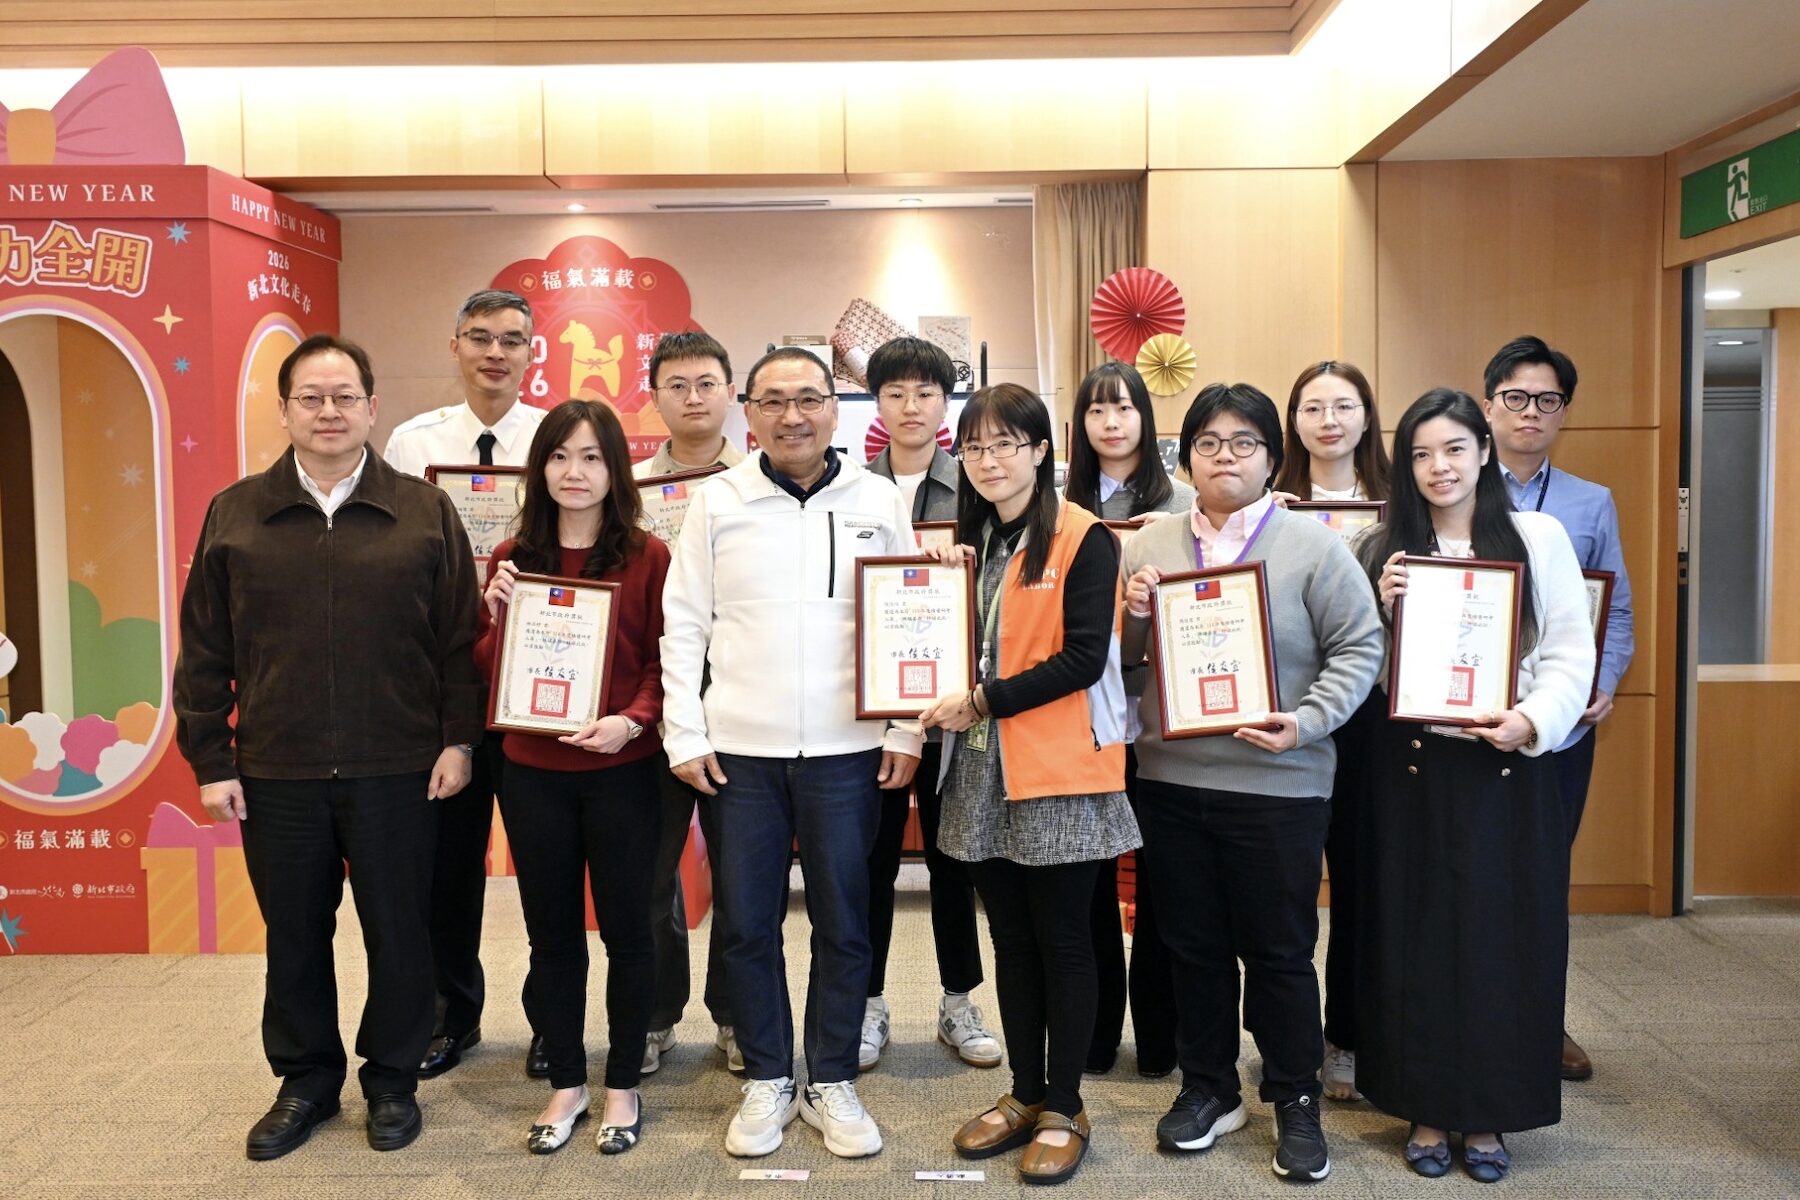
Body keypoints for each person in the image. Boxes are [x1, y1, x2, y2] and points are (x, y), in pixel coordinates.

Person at [173, 334, 482, 1160]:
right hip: (277, 769)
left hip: (400, 766)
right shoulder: (237, 512)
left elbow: (459, 641)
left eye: (345, 397)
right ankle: (306, 1080)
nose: (329, 412)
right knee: (294, 936)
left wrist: (458, 741)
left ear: (372, 408)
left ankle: (392, 1079)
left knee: (400, 932)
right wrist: (211, 760)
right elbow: (204, 647)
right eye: (311, 398)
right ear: (284, 411)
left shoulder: (423, 510)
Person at [660, 346, 921, 1160]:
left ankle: (832, 1076)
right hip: (740, 753)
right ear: (750, 413)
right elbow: (684, 623)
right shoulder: (718, 500)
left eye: (808, 398)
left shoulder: (877, 498)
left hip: (849, 751)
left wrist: (906, 729)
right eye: (773, 401)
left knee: (845, 921)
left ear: (835, 408)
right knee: (746, 924)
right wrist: (683, 732)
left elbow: (908, 615)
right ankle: (769, 1075)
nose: (793, 416)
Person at [1119, 382, 1382, 1183]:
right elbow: (1118, 666)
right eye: (1208, 442)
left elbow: (1360, 647)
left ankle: (1295, 1095)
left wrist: (1305, 723)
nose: (1224, 457)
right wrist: (1133, 616)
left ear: (1272, 456)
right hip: (1170, 780)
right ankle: (1209, 1086)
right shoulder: (1148, 545)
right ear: (1187, 456)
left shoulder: (1314, 547)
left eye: (1243, 443)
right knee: (1191, 946)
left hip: (1280, 784)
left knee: (1279, 952)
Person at [1357, 388, 1594, 1182]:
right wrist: (1379, 609)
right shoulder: (1386, 547)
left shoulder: (1537, 536)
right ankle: (1426, 1107)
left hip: (1508, 767)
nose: (1440, 467)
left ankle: (1489, 1113)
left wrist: (1531, 720)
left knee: (1503, 942)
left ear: (1485, 450)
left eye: (1455, 448)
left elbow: (1570, 650)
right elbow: (1365, 676)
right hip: (1414, 771)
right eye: (1421, 454)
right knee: (1418, 940)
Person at [924, 382, 1138, 1187]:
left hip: (1059, 770)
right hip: (981, 767)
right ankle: (1024, 1092)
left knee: (1064, 941)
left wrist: (981, 700)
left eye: (1006, 444)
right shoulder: (973, 541)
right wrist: (937, 584)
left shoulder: (1083, 536)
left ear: (1042, 451)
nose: (988, 460)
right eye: (974, 446)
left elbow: (1083, 657)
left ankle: (1066, 1106)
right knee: (1011, 941)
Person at [475, 400, 670, 1155]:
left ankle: (621, 1082)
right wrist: (494, 619)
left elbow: (662, 661)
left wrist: (632, 720)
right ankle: (566, 1081)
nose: (574, 472)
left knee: (629, 933)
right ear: (540, 468)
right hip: (533, 774)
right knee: (551, 937)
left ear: (615, 469)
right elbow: (488, 673)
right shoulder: (511, 556)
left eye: (591, 457)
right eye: (559, 456)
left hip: (623, 770)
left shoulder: (647, 556)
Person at [383, 289, 549, 1082]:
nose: (495, 353)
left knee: (548, 865)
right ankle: (453, 1015)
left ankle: (552, 1021)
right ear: (455, 347)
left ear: (531, 353)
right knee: (447, 866)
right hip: (446, 685)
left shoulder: (556, 438)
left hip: (538, 682)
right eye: (480, 338)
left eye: (512, 340)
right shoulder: (413, 444)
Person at [1480, 335, 1635, 1083]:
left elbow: (1617, 609)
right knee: (1469, 876)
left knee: (1541, 878)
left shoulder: (1589, 501)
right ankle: (1470, 1016)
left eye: (1547, 400)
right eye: (1515, 397)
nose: (1530, 412)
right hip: (1467, 721)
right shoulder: (1453, 485)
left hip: (1558, 727)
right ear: (1488, 406)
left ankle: (1544, 1021)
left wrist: (1600, 681)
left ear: (1564, 412)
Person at [859, 336, 1000, 1073]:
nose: (910, 406)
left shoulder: (978, 486)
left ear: (946, 403)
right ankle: (867, 1003)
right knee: (872, 863)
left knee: (954, 864)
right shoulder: (853, 489)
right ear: (875, 402)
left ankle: (958, 1001)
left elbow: (1003, 593)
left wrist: (967, 569)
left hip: (955, 710)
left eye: (925, 393)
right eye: (895, 393)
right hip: (874, 715)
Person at [1061, 360, 1192, 1079]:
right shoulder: (1058, 504)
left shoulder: (1186, 503)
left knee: (1163, 877)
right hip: (1081, 716)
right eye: (1096, 410)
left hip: (1160, 714)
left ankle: (1162, 1038)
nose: (1111, 423)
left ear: (1146, 415)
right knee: (1086, 880)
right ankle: (1094, 1032)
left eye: (1125, 408)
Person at [1271, 359, 1393, 1103]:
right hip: (1284, 715)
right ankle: (1286, 1041)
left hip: (1366, 718)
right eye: (1312, 407)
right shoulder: (1266, 504)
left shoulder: (1400, 508)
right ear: (1293, 421)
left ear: (1367, 416)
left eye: (1343, 406)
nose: (1328, 421)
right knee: (1285, 893)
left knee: (1359, 883)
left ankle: (1346, 1034)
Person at [632, 330, 745, 1077]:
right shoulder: (626, 489)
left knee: (740, 869)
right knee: (650, 871)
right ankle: (653, 1015)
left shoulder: (760, 482)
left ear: (730, 392)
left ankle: (735, 1015)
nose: (694, 397)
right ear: (655, 397)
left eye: (707, 383)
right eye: (677, 385)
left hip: (739, 694)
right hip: (651, 696)